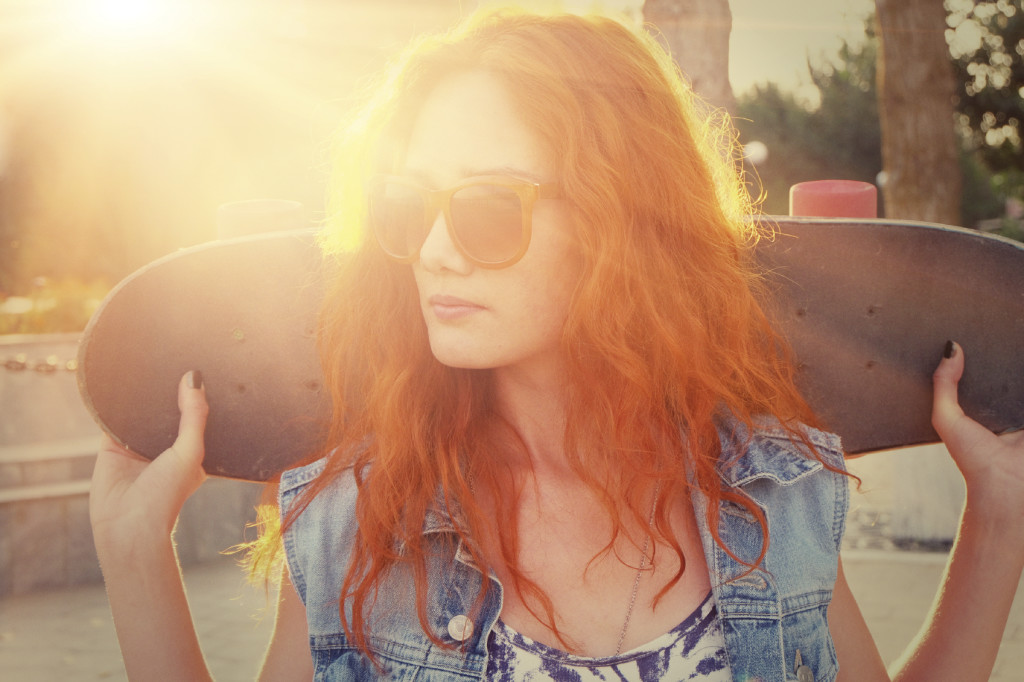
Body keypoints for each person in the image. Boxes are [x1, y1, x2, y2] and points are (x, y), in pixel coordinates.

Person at [89, 8, 1024, 682]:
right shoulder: (366, 514)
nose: (436, 249)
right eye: (409, 206)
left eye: (489, 207)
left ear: (622, 222)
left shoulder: (769, 488)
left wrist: (1000, 518)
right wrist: (135, 558)